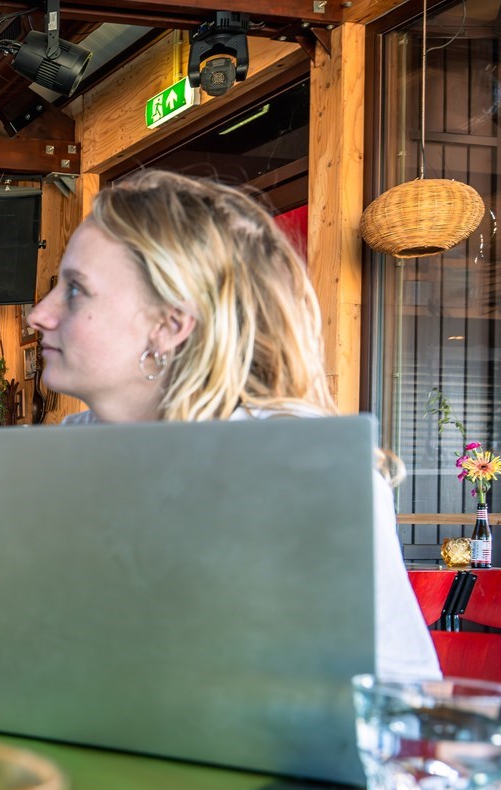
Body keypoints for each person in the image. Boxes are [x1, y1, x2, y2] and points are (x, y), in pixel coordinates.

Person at [26, 169, 439, 682]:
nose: (38, 315)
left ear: (170, 325)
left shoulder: (301, 467)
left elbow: (397, 687)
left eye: (75, 291)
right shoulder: (67, 451)